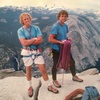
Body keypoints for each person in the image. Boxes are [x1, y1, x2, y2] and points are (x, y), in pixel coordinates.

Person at [17, 12, 59, 97]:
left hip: (36, 51)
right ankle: (30, 87)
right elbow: (24, 43)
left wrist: (29, 41)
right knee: (28, 70)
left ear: (30, 19)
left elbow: (40, 40)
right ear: (22, 21)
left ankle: (49, 86)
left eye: (28, 18)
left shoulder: (36, 28)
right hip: (26, 52)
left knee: (43, 69)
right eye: (25, 19)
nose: (27, 20)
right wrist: (34, 39)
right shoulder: (20, 30)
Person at [49, 10, 83, 88]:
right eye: (62, 16)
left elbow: (63, 36)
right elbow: (50, 39)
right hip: (56, 49)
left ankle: (74, 76)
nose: (64, 18)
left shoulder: (65, 25)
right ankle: (54, 80)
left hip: (64, 48)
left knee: (72, 62)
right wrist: (60, 42)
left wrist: (67, 39)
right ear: (59, 17)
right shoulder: (55, 26)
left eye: (65, 16)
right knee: (56, 65)